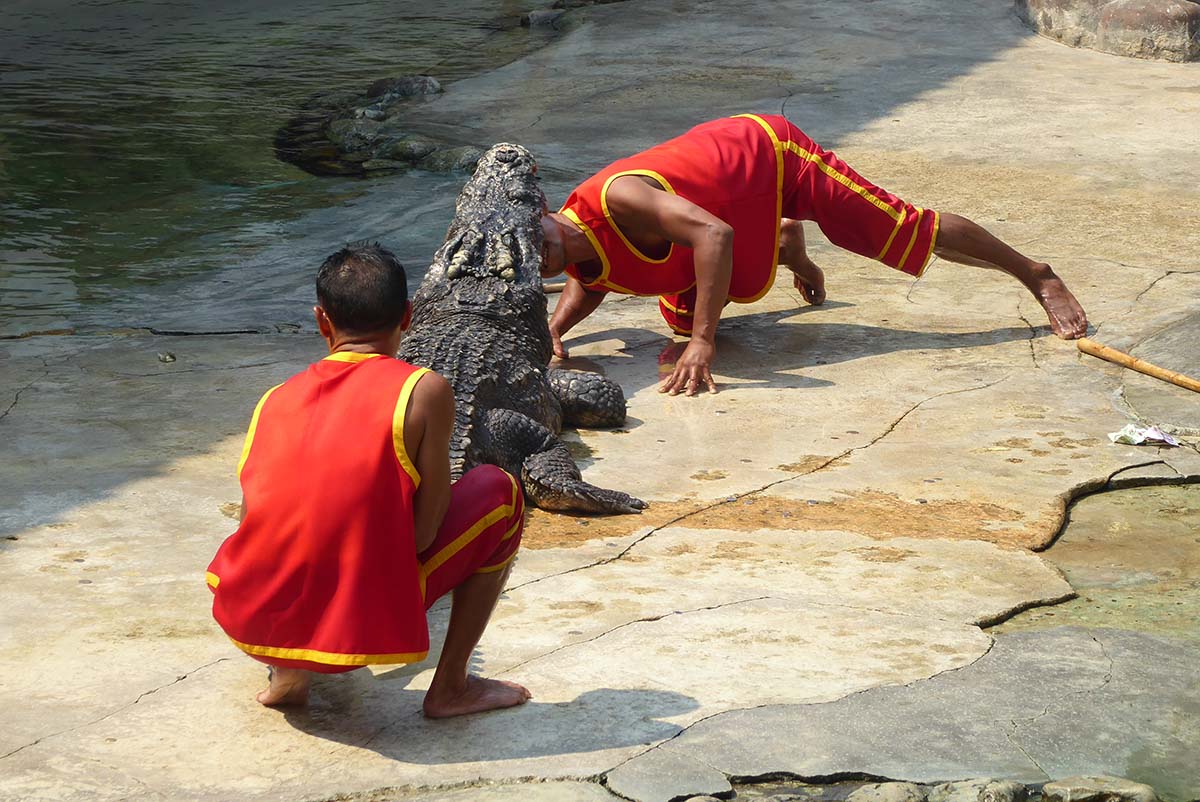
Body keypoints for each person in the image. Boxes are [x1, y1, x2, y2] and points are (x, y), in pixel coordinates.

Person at [539, 113, 1089, 396]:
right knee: (682, 317)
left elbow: (715, 238)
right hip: (721, 206)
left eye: (534, 239)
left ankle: (1033, 274)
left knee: (897, 229)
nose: (533, 256)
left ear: (542, 212)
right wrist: (556, 329)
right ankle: (782, 243)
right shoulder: (568, 241)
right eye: (524, 258)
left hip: (766, 153)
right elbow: (592, 272)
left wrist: (704, 342)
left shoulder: (619, 198)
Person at [206, 243, 531, 715]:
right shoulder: (424, 389)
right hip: (347, 638)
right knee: (500, 492)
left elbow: (255, 517)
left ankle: (287, 677)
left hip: (250, 624)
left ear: (322, 321)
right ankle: (452, 687)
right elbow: (423, 534)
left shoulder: (275, 396)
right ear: (407, 316)